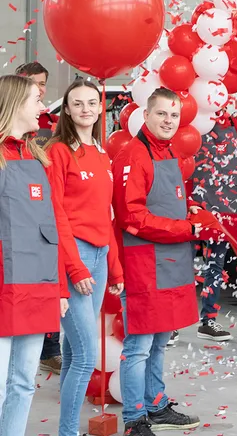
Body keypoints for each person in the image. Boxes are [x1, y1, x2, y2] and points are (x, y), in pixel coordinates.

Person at [111, 87, 202, 436]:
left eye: (174, 115)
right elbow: (131, 216)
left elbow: (163, 200)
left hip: (170, 260)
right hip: (144, 264)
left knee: (160, 341)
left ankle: (156, 405)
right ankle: (134, 419)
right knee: (139, 346)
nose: (168, 120)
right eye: (161, 113)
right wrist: (184, 228)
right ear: (146, 115)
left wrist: (189, 210)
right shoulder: (133, 155)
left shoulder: (169, 151)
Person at [46, 80, 125, 436]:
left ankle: (67, 429)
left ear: (100, 107)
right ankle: (67, 432)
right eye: (77, 103)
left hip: (99, 256)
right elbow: (56, 214)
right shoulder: (59, 151)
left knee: (73, 350)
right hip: (74, 256)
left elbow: (105, 214)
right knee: (85, 356)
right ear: (66, 109)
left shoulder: (101, 153)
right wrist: (75, 268)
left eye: (92, 103)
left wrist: (115, 268)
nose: (85, 109)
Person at [0, 75, 75, 435]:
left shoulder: (38, 157)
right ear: (14, 104)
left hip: (36, 285)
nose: (42, 108)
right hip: (4, 286)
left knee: (24, 382)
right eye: (36, 100)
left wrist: (58, 289)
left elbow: (51, 229)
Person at [15, 62, 63, 374]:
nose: (40, 89)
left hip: (46, 213)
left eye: (42, 83)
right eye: (32, 83)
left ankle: (50, 350)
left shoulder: (52, 125)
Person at [189, 108, 237, 342]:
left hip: (225, 203)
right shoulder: (192, 119)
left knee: (215, 266)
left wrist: (231, 189)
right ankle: (172, 323)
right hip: (195, 201)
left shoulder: (236, 124)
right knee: (182, 264)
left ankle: (208, 321)